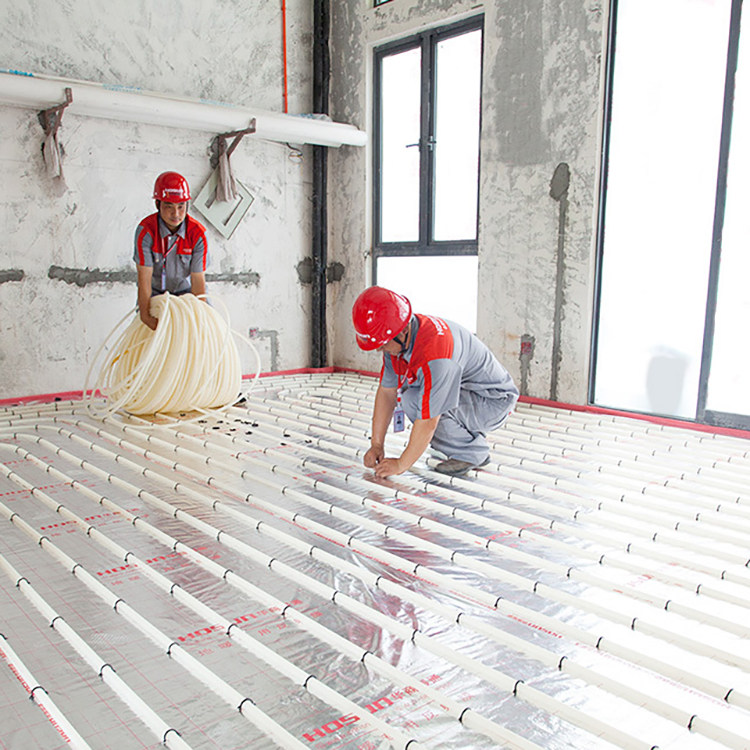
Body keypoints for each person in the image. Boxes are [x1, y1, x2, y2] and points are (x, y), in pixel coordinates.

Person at [352, 286, 519, 477]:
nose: (379, 349)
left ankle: (471, 453)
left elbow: (429, 420)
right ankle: (462, 442)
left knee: (416, 403)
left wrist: (401, 464)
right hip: (468, 393)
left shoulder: (436, 355)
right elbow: (387, 392)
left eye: (382, 344)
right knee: (411, 397)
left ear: (403, 331)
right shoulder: (398, 339)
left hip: (493, 403)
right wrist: (376, 444)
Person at [133, 171, 208, 330]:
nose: (176, 214)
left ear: (187, 205)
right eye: (169, 206)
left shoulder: (197, 234)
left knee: (207, 331)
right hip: (155, 295)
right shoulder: (146, 232)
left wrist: (199, 317)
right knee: (146, 339)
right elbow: (144, 279)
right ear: (158, 204)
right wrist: (146, 317)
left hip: (187, 295)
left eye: (181, 206)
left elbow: (198, 281)